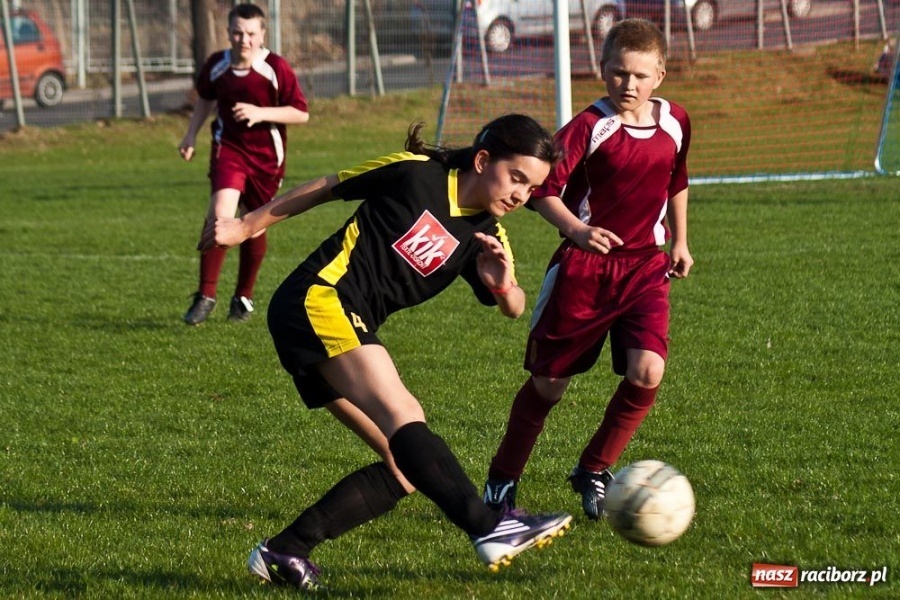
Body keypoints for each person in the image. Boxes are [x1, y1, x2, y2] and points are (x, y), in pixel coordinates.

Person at [199, 114, 572, 590]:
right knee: (404, 413)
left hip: (332, 319)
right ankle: (487, 526)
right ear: (482, 160)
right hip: (318, 297)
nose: (521, 195)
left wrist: (503, 287)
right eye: (516, 177)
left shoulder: (487, 236)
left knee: (405, 466)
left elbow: (515, 307)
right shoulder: (416, 173)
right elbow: (328, 185)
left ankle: (286, 550)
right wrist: (246, 226)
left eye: (531, 187)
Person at [482, 19, 694, 521]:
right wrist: (577, 231)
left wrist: (681, 240)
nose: (629, 85)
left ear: (660, 75)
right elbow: (539, 189)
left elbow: (677, 177)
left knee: (648, 371)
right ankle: (500, 482)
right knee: (549, 386)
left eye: (641, 75)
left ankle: (595, 467)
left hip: (646, 266)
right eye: (618, 73)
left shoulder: (676, 121)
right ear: (602, 70)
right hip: (584, 271)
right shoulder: (588, 126)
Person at [180, 3, 309, 325]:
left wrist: (260, 113)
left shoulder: (276, 68)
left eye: (251, 33)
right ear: (228, 33)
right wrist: (190, 135)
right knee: (221, 214)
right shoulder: (216, 65)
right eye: (237, 32)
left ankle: (243, 297)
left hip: (268, 158)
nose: (244, 39)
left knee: (253, 225)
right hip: (229, 150)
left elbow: (300, 112)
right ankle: (205, 295)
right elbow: (206, 101)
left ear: (262, 33)